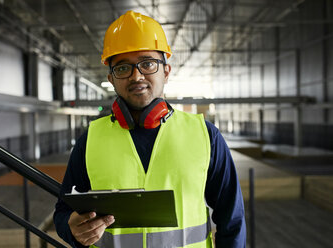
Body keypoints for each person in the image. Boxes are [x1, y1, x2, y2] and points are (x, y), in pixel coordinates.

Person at [54, 10, 246, 248]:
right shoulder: (90, 140)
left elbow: (232, 220)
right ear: (111, 79)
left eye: (148, 63)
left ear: (166, 70)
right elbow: (63, 213)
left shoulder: (205, 136)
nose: (137, 76)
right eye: (123, 68)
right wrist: (73, 229)